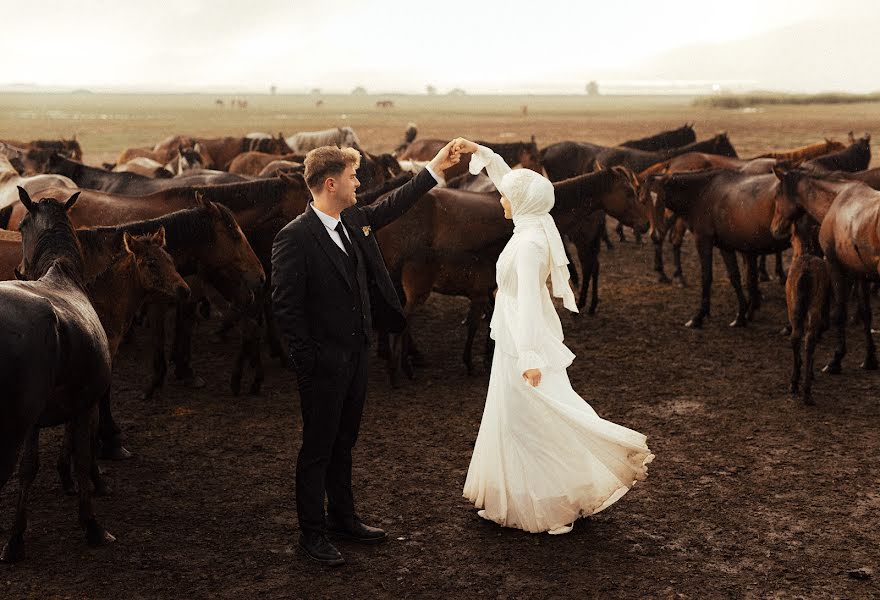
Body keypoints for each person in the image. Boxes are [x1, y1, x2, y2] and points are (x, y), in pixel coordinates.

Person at [271, 141, 460, 566]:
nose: (360, 184)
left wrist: (433, 168)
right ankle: (312, 534)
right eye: (354, 177)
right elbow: (286, 309)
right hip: (322, 366)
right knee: (317, 448)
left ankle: (343, 518)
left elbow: (394, 203)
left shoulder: (353, 219)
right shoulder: (294, 238)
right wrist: (307, 366)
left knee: (345, 442)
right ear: (331, 183)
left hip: (357, 358)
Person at [454, 137, 654, 535]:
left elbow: (529, 301)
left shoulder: (528, 244)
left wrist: (528, 358)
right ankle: (513, 495)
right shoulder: (531, 224)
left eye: (506, 197)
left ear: (523, 202)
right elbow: (514, 183)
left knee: (533, 421)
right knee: (512, 417)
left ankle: (555, 505)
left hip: (523, 342)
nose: (499, 199)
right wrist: (483, 153)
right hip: (513, 337)